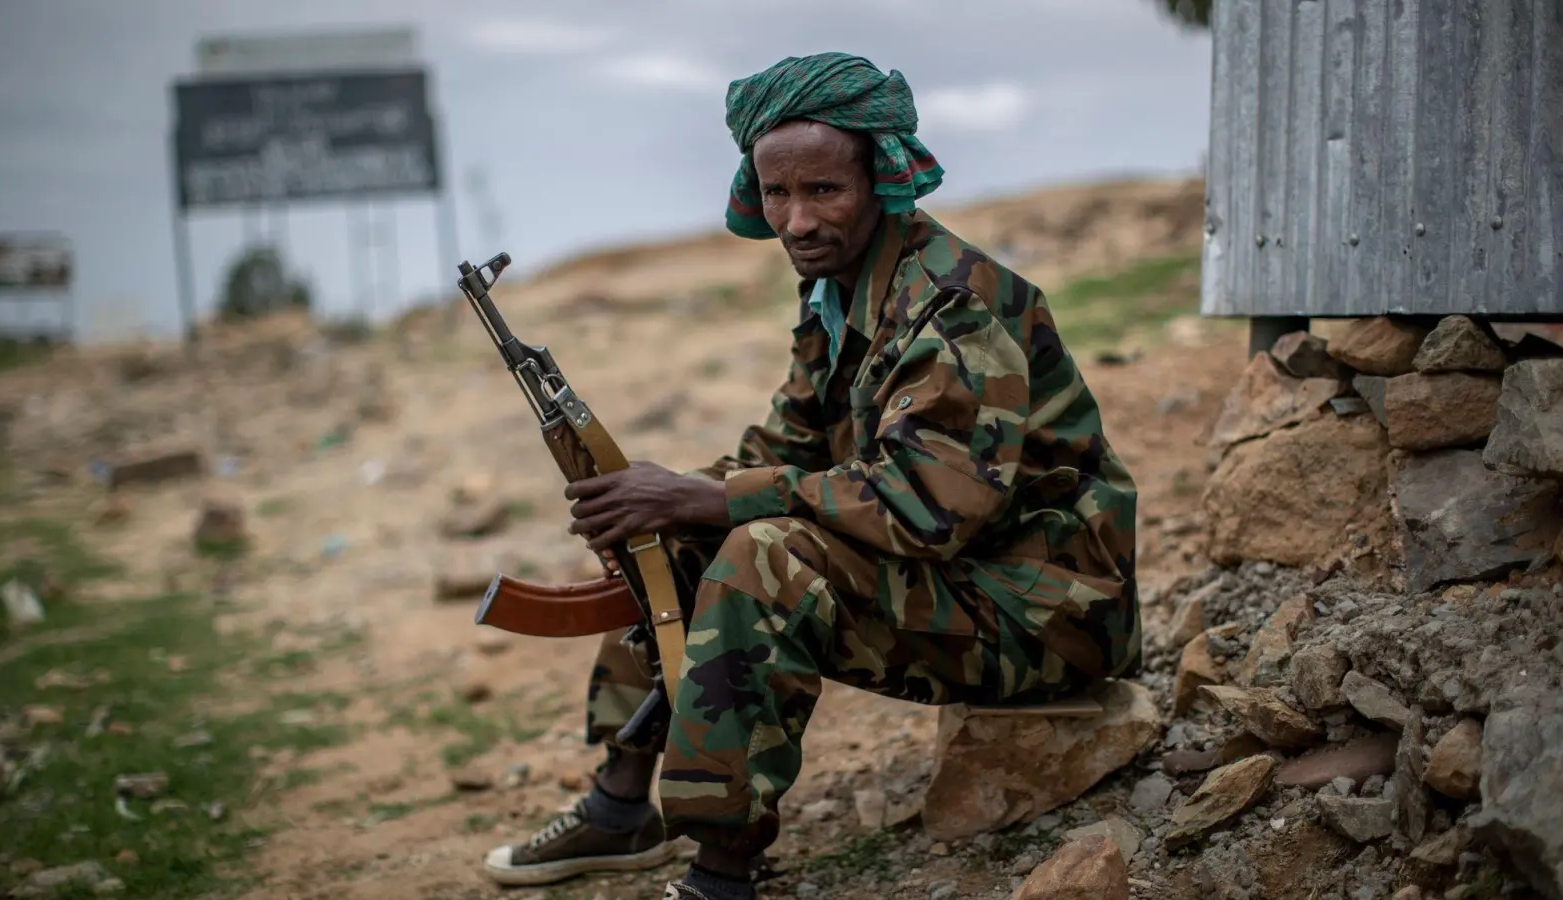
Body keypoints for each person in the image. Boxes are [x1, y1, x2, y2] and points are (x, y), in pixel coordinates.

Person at [482, 51, 1141, 900]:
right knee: (674, 531)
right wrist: (653, 493)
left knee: (763, 556)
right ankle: (619, 810)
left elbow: (932, 508)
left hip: (1044, 611)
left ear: (883, 180)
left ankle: (721, 873)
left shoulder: (955, 306)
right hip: (962, 584)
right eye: (776, 194)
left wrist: (712, 496)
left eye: (823, 191)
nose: (795, 221)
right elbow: (786, 449)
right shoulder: (839, 290)